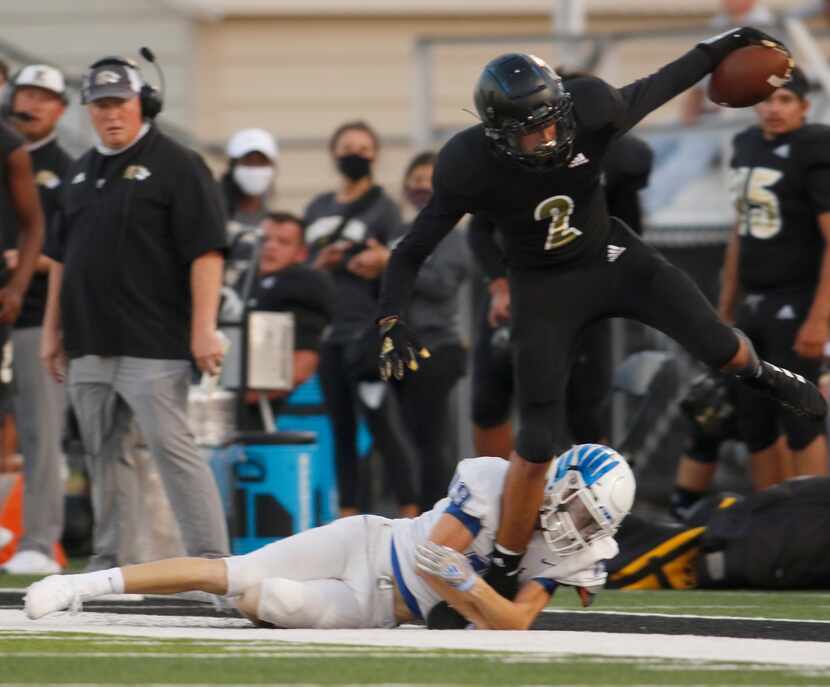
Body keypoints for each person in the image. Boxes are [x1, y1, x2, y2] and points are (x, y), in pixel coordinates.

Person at [377, 30, 826, 600]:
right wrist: (390, 317)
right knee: (537, 438)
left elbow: (668, 79)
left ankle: (763, 376)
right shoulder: (468, 164)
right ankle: (508, 563)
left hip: (614, 257)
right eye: (531, 130)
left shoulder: (592, 108)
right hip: (542, 287)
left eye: (552, 119)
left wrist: (728, 42)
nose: (548, 136)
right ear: (498, 136)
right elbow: (412, 248)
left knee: (716, 344)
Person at [24, 443, 634, 631]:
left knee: (272, 602)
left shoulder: (570, 552)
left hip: (373, 607)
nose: (572, 528)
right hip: (367, 543)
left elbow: (518, 624)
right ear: (557, 482)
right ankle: (82, 582)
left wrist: (471, 590)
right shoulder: (494, 482)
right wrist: (473, 594)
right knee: (234, 572)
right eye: (577, 510)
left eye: (588, 524)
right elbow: (431, 562)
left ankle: (250, 604)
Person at [40, 55, 230, 571]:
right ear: (88, 110)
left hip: (155, 339)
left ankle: (212, 563)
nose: (110, 114)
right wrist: (52, 332)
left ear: (141, 103)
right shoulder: (79, 172)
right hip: (88, 340)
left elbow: (206, 252)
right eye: (100, 105)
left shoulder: (178, 163)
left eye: (119, 102)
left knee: (173, 452)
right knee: (104, 456)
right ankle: (109, 564)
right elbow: (60, 260)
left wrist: (203, 329)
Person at [467, 126, 653, 457]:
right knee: (491, 402)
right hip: (517, 288)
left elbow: (627, 236)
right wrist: (499, 284)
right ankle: (490, 495)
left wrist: (598, 288)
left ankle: (596, 500)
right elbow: (480, 230)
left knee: (583, 412)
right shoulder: (507, 154)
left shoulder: (609, 158)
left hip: (579, 293)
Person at [718, 67, 830, 491]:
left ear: (804, 105)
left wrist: (820, 317)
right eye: (767, 99)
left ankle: (816, 528)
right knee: (754, 422)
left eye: (785, 100)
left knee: (801, 418)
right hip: (754, 302)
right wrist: (725, 306)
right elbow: (738, 233)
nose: (774, 108)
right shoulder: (746, 145)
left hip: (797, 299)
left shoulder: (812, 148)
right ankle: (770, 517)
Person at [305, 120, 418, 518]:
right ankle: (348, 512)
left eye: (365, 148)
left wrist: (362, 261)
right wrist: (321, 263)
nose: (356, 154)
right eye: (348, 146)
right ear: (334, 152)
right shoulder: (318, 206)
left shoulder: (382, 207)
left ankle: (409, 507)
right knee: (341, 428)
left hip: (366, 333)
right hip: (329, 332)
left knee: (383, 422)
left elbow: (393, 262)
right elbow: (306, 263)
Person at [0, 65, 72, 574]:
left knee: (41, 431)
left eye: (45, 98)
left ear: (61, 110)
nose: (33, 105)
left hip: (38, 313)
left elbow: (76, 248)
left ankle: (41, 540)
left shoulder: (71, 168)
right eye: (27, 93)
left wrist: (36, 265)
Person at [642, 0, 776, 215]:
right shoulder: (719, 23)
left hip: (737, 116)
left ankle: (645, 207)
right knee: (655, 140)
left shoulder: (766, 28)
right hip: (710, 112)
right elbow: (701, 68)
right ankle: (618, 194)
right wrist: (692, 105)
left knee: (690, 153)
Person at [391, 151, 470, 509]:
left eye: (429, 179)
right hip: (400, 350)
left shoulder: (455, 237)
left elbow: (442, 284)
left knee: (432, 440)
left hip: (436, 348)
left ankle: (434, 512)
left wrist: (395, 264)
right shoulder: (399, 231)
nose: (421, 186)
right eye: (415, 179)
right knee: (403, 437)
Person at [236, 211, 336, 430]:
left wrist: (242, 397)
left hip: (267, 405)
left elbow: (302, 364)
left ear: (301, 253)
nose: (270, 247)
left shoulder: (302, 283)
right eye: (265, 239)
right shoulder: (245, 281)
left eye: (283, 242)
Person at [219, 128, 279, 286]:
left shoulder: (273, 222)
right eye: (248, 161)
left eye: (262, 162)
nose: (255, 169)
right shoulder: (214, 213)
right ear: (233, 165)